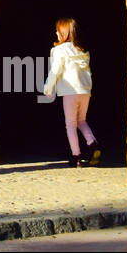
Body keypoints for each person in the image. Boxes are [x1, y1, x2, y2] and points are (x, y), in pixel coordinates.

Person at [43, 17, 100, 168]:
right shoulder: (82, 50)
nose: (55, 33)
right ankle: (93, 144)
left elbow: (56, 70)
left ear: (63, 33)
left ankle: (77, 156)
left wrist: (48, 88)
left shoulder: (59, 50)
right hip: (85, 91)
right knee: (82, 120)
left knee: (70, 124)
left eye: (58, 31)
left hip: (70, 92)